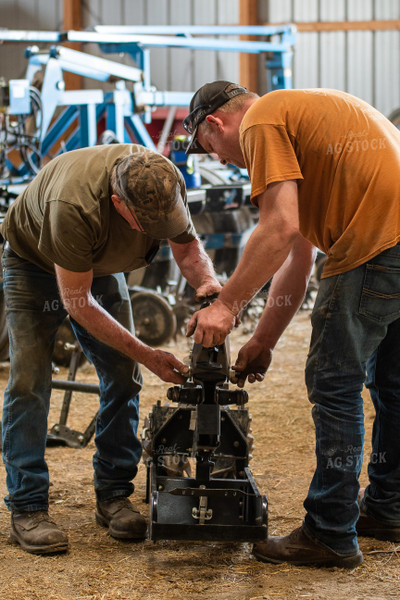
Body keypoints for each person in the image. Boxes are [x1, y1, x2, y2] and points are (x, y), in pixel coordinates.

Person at [184, 80, 400, 568]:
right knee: (392, 383)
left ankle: (329, 532)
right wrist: (263, 339)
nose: (218, 160)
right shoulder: (300, 120)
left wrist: (225, 308)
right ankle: (388, 509)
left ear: (214, 124)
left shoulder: (262, 121)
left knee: (335, 383)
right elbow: (295, 259)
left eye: (208, 148)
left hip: (377, 241)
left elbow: (276, 229)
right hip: (396, 235)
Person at [0, 143, 221, 554]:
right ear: (118, 204)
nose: (159, 230)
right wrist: (150, 354)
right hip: (34, 265)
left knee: (123, 377)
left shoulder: (161, 177)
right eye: (147, 224)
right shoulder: (74, 205)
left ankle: (114, 494)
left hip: (99, 265)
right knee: (30, 382)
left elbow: (188, 246)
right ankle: (27, 506)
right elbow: (78, 302)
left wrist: (209, 286)